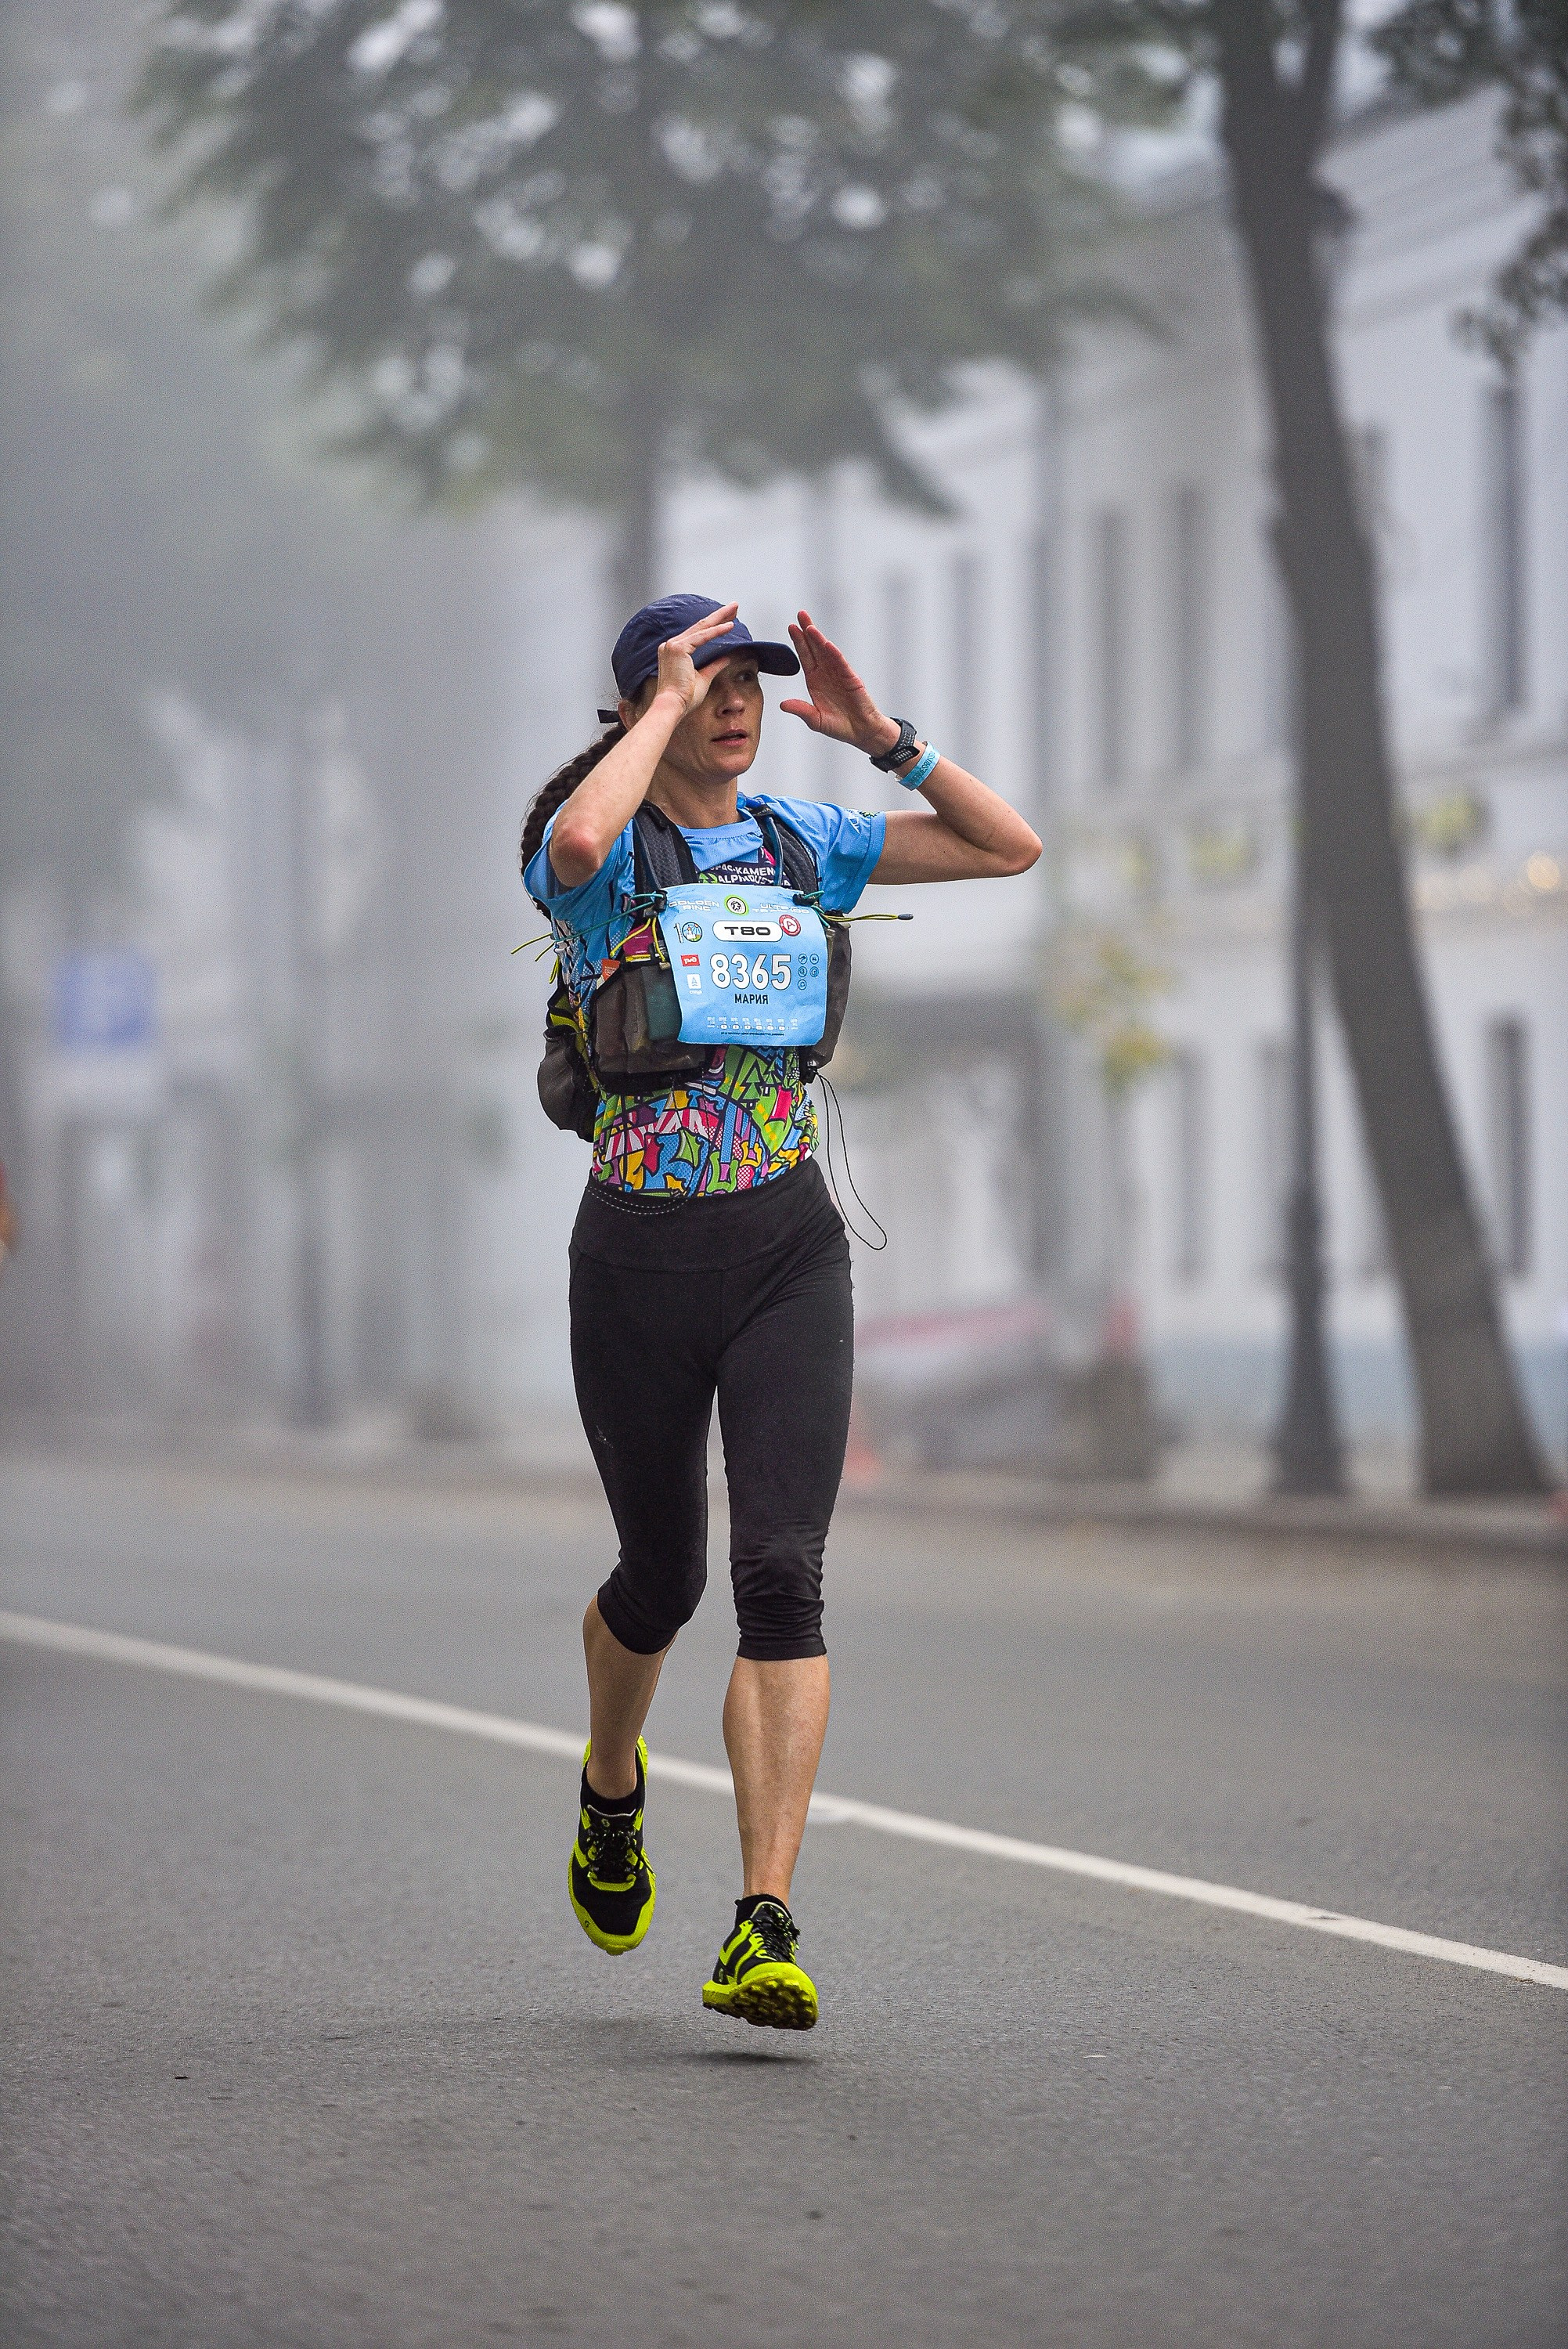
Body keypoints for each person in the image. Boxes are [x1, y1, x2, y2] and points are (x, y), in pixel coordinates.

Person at [521, 591, 1040, 2030]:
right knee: (660, 1578)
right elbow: (570, 842)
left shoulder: (802, 841)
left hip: (786, 1250)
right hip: (634, 1262)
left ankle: (763, 1919)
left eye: (748, 680)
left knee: (784, 1576)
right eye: (707, 684)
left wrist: (887, 741)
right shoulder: (601, 854)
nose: (738, 702)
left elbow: (1009, 847)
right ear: (645, 707)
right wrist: (653, 713)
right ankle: (612, 1786)